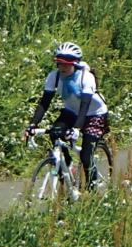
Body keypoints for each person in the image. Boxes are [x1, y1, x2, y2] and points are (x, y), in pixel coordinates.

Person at [24, 41, 110, 186]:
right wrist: (33, 124)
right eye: (59, 63)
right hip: (71, 111)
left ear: (75, 63)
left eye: (66, 64)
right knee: (55, 132)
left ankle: (92, 187)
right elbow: (44, 102)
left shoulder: (86, 77)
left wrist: (76, 129)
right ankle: (67, 165)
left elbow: (85, 105)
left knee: (86, 155)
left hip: (94, 113)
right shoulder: (54, 76)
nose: (62, 67)